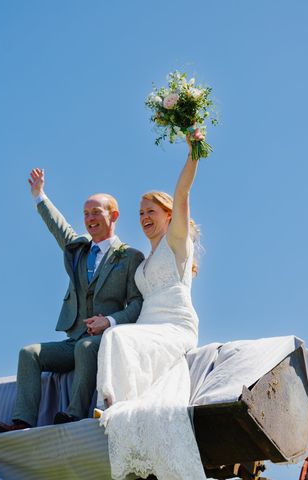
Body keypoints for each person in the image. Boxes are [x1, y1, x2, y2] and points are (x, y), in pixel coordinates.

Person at [0, 168, 144, 434]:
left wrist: (109, 321)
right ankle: (21, 421)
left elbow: (138, 303)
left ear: (113, 215)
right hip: (74, 341)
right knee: (29, 353)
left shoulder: (130, 256)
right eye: (85, 214)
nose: (89, 219)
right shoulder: (78, 249)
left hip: (106, 341)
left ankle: (74, 415)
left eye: (96, 212)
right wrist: (39, 196)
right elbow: (58, 226)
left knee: (85, 347)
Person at [96, 130, 207, 480]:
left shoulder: (177, 243)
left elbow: (183, 193)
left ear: (168, 215)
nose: (144, 217)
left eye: (151, 211)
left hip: (173, 328)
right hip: (146, 327)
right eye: (140, 212)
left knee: (118, 340)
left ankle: (115, 410)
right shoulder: (143, 260)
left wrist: (193, 152)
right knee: (117, 338)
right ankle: (122, 412)